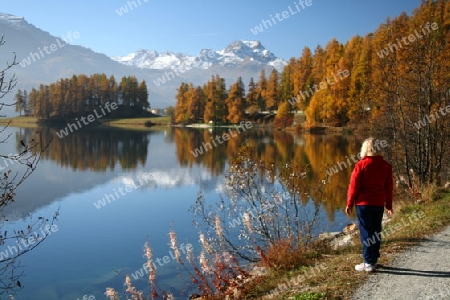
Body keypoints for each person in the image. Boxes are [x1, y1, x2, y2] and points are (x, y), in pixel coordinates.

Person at [346, 137, 393, 272]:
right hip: (378, 204)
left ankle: (368, 262)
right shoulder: (386, 166)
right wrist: (389, 205)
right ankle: (373, 259)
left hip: (364, 204)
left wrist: (349, 203)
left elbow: (353, 187)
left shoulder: (361, 165)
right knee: (376, 231)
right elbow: (389, 188)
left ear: (365, 149)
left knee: (366, 232)